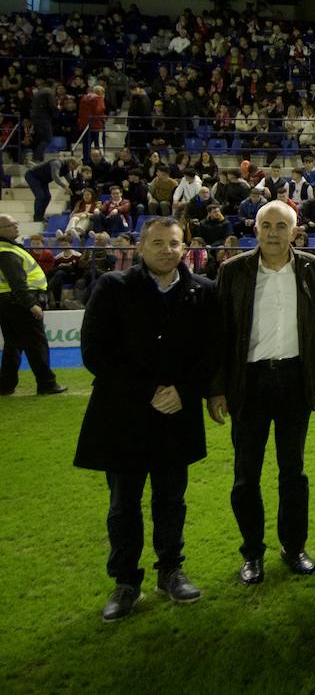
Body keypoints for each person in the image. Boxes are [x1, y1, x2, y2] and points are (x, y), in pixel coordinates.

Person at [74, 218, 222, 622]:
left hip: (177, 416)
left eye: (174, 243)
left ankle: (171, 571)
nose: (166, 250)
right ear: (141, 247)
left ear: (184, 247)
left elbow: (211, 353)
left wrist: (184, 391)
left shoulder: (204, 292)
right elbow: (94, 353)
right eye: (157, 243)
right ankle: (125, 581)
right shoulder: (113, 287)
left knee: (171, 500)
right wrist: (149, 391)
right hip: (123, 417)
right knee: (123, 505)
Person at [214, 200, 315, 586]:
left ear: (296, 232)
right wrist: (217, 390)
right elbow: (221, 336)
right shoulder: (233, 272)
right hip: (250, 384)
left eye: (282, 226)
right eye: (267, 225)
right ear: (256, 229)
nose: (274, 233)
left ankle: (294, 548)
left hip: (296, 382)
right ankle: (252, 553)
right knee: (246, 475)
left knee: (293, 472)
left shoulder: (314, 270)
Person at [0, 214, 66, 396]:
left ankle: (5, 385)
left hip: (7, 301)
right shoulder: (7, 251)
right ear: (2, 230)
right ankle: (47, 383)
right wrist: (31, 304)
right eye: (12, 225)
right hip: (19, 301)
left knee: (13, 345)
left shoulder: (6, 248)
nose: (16, 227)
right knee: (36, 344)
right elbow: (17, 282)